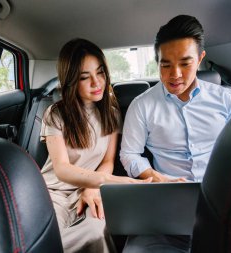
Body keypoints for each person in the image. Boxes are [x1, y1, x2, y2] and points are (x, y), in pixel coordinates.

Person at [120, 15, 231, 252]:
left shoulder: (225, 99)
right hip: (166, 204)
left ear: (200, 59)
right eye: (165, 64)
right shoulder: (141, 105)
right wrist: (156, 177)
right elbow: (130, 154)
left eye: (185, 63)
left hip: (221, 202)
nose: (174, 74)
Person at [40, 38, 150, 253]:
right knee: (50, 237)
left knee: (95, 231)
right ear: (71, 81)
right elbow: (62, 169)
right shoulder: (55, 114)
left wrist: (93, 187)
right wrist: (114, 181)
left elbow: (108, 161)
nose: (96, 82)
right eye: (84, 77)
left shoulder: (112, 113)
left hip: (91, 187)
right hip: (54, 191)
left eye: (100, 72)